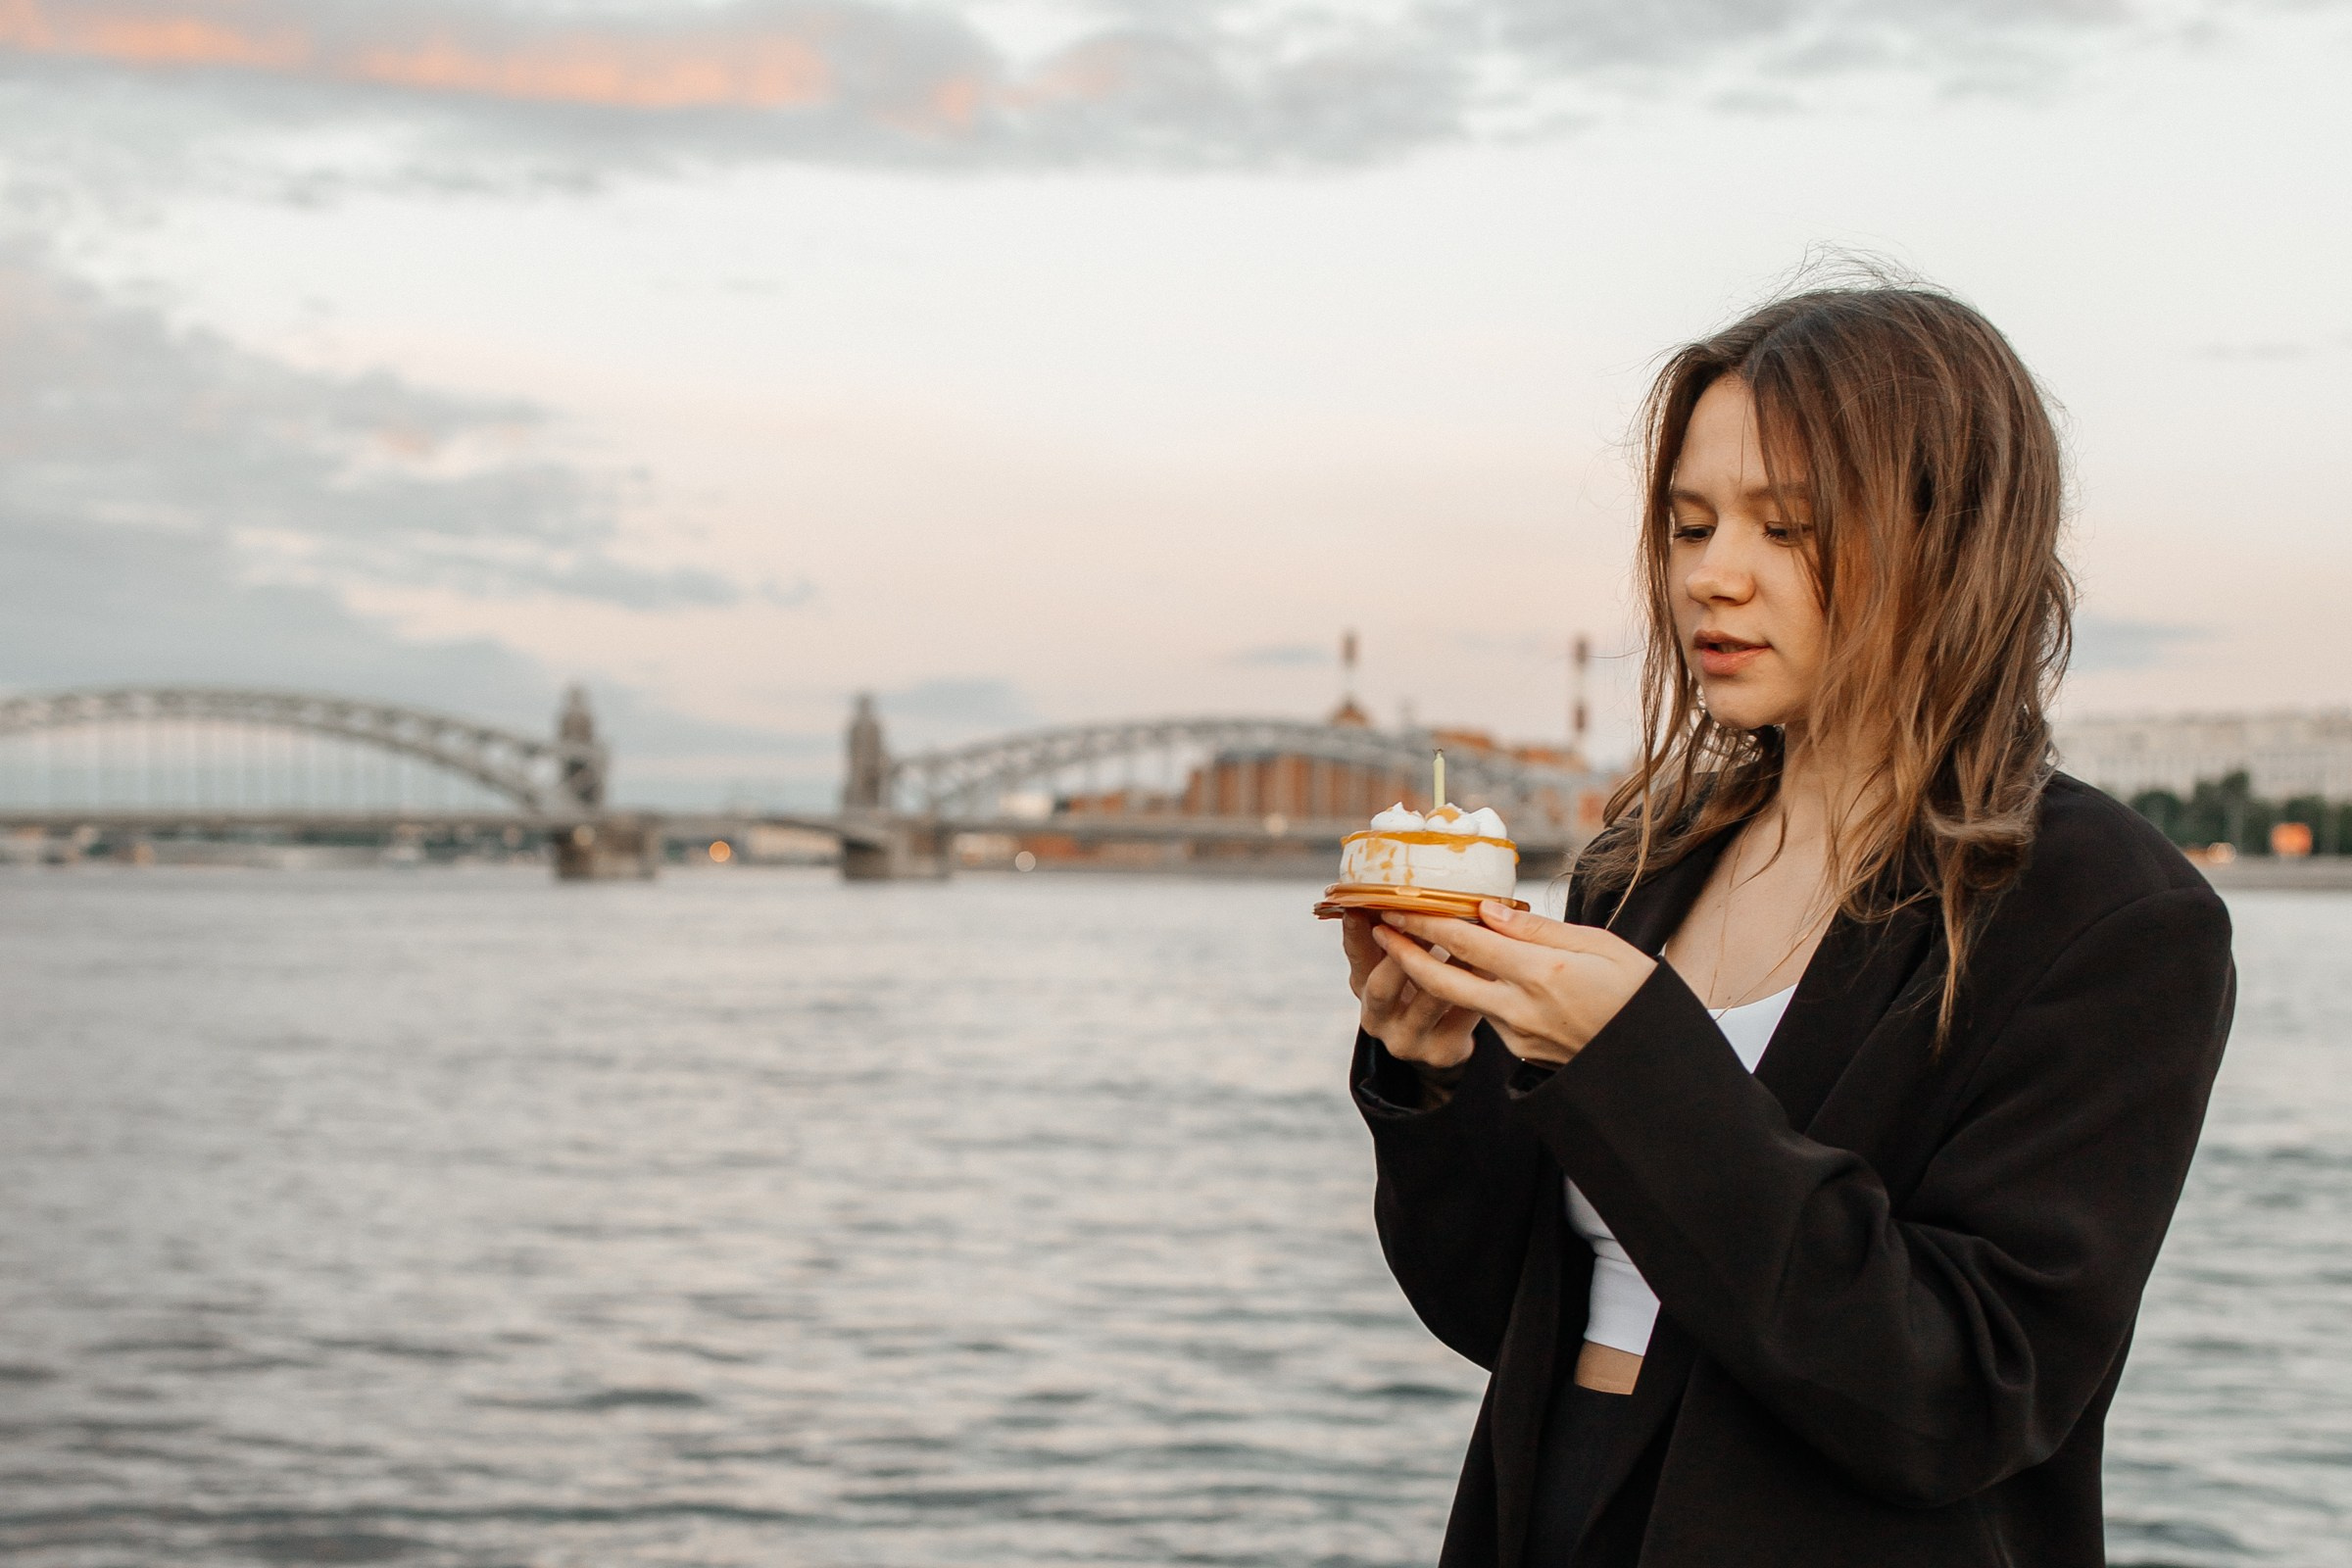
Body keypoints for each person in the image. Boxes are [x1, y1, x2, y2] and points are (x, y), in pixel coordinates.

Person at [1339, 283, 2235, 1567]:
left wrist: (1638, 1060)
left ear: (1950, 536)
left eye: (1788, 525)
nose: (1712, 572)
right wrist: (1431, 1078)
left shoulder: (2111, 916)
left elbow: (1963, 1395)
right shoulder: (1643, 866)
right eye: (1690, 523)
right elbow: (1506, 1310)